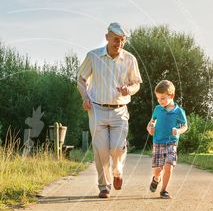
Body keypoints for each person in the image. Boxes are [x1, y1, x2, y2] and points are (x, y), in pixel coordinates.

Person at [77, 22, 142, 198]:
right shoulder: (93, 56)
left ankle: (118, 171)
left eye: (122, 41)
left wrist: (130, 89)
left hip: (120, 110)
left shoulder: (130, 59)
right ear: (107, 37)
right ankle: (104, 186)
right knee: (101, 150)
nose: (119, 44)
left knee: (116, 148)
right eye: (116, 40)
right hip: (97, 108)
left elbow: (136, 83)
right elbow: (81, 79)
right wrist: (85, 97)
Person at [146, 80, 188, 199]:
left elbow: (185, 126)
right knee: (158, 169)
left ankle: (164, 190)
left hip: (171, 142)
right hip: (158, 142)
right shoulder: (158, 109)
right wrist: (150, 128)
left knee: (168, 166)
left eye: (163, 98)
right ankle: (156, 179)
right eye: (158, 98)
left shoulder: (179, 112)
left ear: (172, 96)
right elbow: (151, 122)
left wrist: (178, 131)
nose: (160, 101)